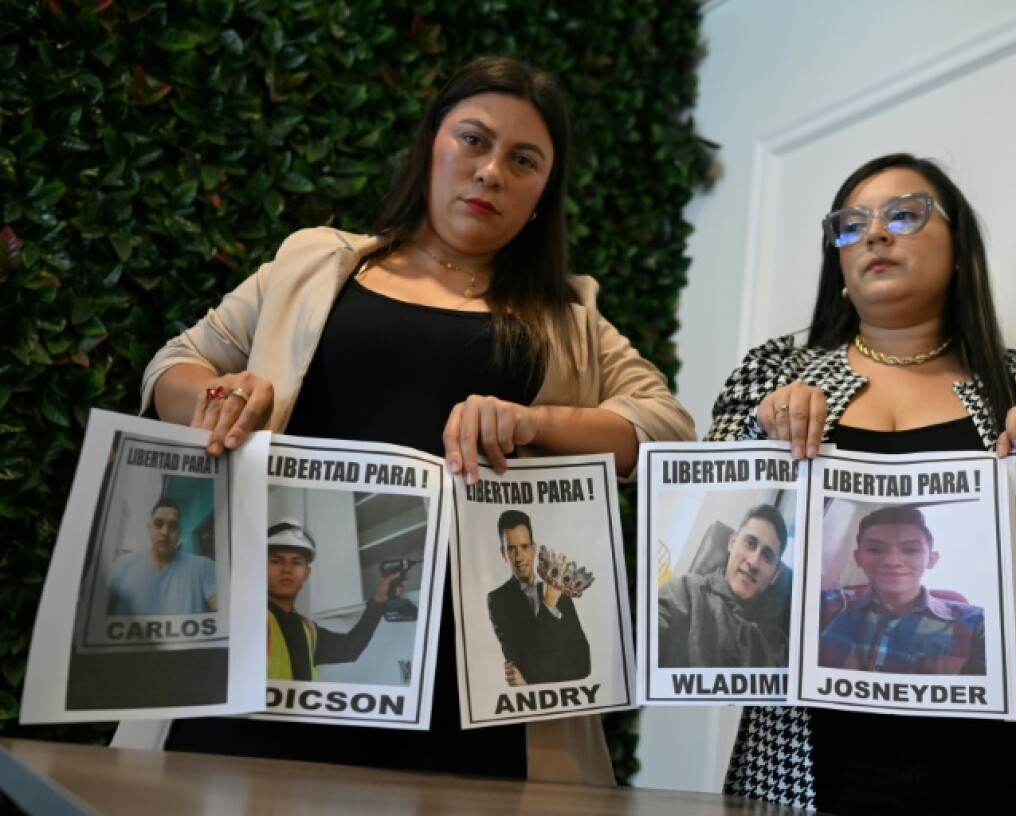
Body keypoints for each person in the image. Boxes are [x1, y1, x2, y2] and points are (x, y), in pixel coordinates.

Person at [121, 56, 695, 784]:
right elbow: (174, 365)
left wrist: (534, 421)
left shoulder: (569, 314)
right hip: (263, 667)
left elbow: (665, 427)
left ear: (544, 193)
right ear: (431, 145)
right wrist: (220, 395)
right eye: (473, 140)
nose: (491, 172)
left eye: (524, 161)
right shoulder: (315, 264)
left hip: (476, 679)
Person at [705, 152, 1016, 814]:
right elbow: (701, 510)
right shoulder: (774, 376)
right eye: (851, 225)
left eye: (903, 215)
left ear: (962, 249)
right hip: (809, 758)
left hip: (1007, 770)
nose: (874, 233)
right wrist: (758, 436)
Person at [819, 504, 985, 676]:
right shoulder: (824, 606)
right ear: (858, 558)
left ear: (931, 559)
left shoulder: (978, 624)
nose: (892, 561)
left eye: (911, 550)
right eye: (875, 549)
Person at [266, 519, 401, 682]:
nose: (287, 569)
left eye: (296, 562)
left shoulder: (308, 630)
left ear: (306, 573)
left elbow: (350, 648)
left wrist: (378, 602)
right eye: (276, 561)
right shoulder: (252, 621)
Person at [656, 503, 789, 668]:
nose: (754, 562)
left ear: (775, 575)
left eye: (767, 556)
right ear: (732, 543)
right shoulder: (686, 592)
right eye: (750, 543)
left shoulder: (777, 648)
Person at [487, 509, 590, 685]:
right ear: (503, 553)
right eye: (511, 549)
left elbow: (583, 666)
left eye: (524, 547)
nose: (519, 557)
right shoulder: (498, 600)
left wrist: (530, 679)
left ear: (533, 549)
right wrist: (548, 604)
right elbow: (523, 663)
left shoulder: (559, 592)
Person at [108, 497, 217, 615]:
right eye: (158, 524)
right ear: (149, 528)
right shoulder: (121, 567)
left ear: (179, 532)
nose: (165, 532)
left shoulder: (204, 568)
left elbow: (224, 607)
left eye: (173, 526)